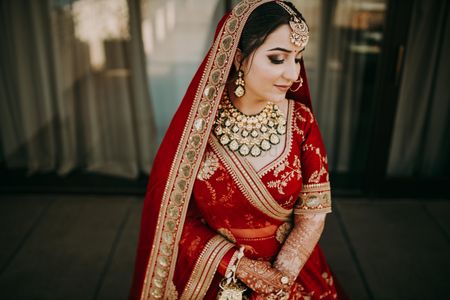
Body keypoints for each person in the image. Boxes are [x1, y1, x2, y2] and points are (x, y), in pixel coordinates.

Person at [129, 1, 347, 299]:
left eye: (297, 59)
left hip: (292, 271)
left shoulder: (300, 122)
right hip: (218, 273)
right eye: (277, 59)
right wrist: (240, 267)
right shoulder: (198, 129)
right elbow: (176, 218)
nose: (293, 74)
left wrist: (279, 280)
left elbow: (313, 215)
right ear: (239, 58)